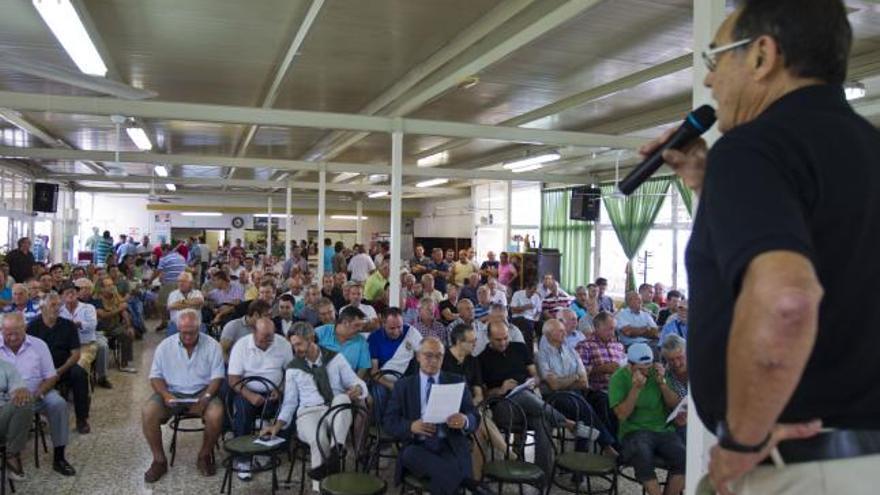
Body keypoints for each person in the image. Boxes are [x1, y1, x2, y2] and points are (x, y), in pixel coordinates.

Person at [640, 2, 880, 490]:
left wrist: (742, 441)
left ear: (761, 56)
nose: (709, 82)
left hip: (798, 464)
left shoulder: (754, 146)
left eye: (716, 60)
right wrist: (708, 186)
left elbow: (785, 299)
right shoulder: (869, 146)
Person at [261, 321, 368, 481]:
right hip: (308, 413)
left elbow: (358, 383)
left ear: (311, 338)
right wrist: (277, 425)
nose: (296, 349)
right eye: (293, 345)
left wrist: (358, 389)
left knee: (342, 398)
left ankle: (336, 449)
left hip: (334, 410)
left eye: (299, 344)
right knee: (319, 439)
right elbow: (290, 402)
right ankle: (323, 484)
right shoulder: (293, 367)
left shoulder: (335, 358)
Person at [478, 321, 579, 480]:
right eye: (498, 340)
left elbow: (536, 376)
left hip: (531, 403)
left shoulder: (519, 348)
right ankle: (565, 421)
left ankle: (542, 476)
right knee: (522, 396)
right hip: (503, 407)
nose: (503, 342)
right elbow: (484, 396)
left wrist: (533, 382)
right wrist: (501, 390)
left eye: (505, 338)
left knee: (542, 420)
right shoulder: (482, 359)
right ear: (488, 337)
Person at [383, 337, 482, 495]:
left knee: (443, 478)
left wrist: (464, 420)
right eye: (428, 355)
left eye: (438, 356)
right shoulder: (404, 386)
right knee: (411, 455)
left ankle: (462, 482)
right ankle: (469, 484)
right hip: (417, 446)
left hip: (449, 443)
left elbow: (474, 416)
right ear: (418, 356)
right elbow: (389, 422)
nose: (433, 360)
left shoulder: (456, 381)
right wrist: (411, 426)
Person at [143, 309, 224, 482]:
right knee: (148, 412)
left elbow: (217, 377)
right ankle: (159, 460)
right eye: (184, 332)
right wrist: (165, 395)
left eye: (192, 332)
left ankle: (204, 455)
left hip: (203, 391)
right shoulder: (165, 346)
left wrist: (207, 396)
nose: (187, 336)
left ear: (200, 328)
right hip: (172, 392)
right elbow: (155, 377)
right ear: (178, 328)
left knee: (216, 414)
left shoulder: (212, 345)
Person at [0, 312, 76, 476]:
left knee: (58, 404)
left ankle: (59, 457)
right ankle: (11, 453)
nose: (12, 338)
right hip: (5, 399)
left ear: (25, 329)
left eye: (16, 333)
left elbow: (51, 376)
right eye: (7, 334)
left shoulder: (39, 345)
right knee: (17, 406)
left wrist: (37, 394)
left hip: (37, 393)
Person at [608, 343, 684, 495]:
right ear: (630, 365)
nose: (646, 371)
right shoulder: (619, 378)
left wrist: (662, 383)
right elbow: (622, 415)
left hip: (663, 429)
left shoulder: (657, 372)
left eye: (648, 366)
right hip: (634, 431)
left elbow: (675, 404)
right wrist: (636, 389)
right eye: (641, 368)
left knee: (684, 458)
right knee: (642, 454)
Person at [536, 319, 617, 455]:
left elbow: (584, 382)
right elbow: (554, 385)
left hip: (576, 393)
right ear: (549, 335)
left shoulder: (571, 351)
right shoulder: (542, 355)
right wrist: (574, 377)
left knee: (592, 404)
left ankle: (583, 458)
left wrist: (565, 381)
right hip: (553, 398)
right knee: (582, 408)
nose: (565, 332)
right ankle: (606, 445)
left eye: (564, 329)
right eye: (560, 331)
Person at [227, 317, 293, 480]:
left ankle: (268, 450)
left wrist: (281, 389)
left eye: (271, 336)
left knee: (291, 407)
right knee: (243, 412)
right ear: (254, 332)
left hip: (274, 391)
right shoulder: (242, 345)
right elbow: (233, 379)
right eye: (264, 337)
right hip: (247, 390)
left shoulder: (282, 344)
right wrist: (250, 395)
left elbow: (291, 373)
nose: (268, 341)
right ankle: (243, 459)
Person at [31, 291, 91, 434]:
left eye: (59, 305)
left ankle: (82, 419)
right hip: (42, 370)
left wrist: (59, 371)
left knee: (80, 373)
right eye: (53, 305)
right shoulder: (33, 327)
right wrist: (48, 373)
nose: (57, 308)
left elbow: (76, 354)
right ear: (42, 307)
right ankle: (35, 419)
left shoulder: (68, 325)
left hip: (64, 368)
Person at [576, 312, 627, 434]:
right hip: (597, 390)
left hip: (620, 388)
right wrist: (603, 368)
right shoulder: (585, 345)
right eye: (609, 329)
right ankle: (614, 444)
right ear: (597, 328)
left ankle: (634, 436)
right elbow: (580, 375)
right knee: (606, 400)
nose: (612, 332)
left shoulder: (618, 346)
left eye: (614, 329)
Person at [72, 279, 112, 389]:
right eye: (82, 288)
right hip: (74, 335)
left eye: (88, 288)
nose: (85, 291)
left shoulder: (96, 302)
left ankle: (102, 377)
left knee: (103, 346)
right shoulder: (70, 302)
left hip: (96, 332)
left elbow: (99, 318)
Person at [315, 306, 371, 380]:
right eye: (357, 325)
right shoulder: (321, 332)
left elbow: (363, 368)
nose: (360, 329)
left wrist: (357, 384)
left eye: (361, 325)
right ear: (345, 323)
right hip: (321, 381)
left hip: (347, 383)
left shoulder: (361, 341)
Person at [0, 357, 32, 480]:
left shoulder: (6, 366)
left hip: (2, 415)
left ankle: (11, 453)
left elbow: (18, 386)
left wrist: (20, 390)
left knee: (24, 401)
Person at [96, 276, 137, 372]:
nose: (112, 287)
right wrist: (119, 309)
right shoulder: (97, 299)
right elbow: (103, 315)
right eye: (108, 285)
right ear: (102, 288)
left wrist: (129, 326)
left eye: (112, 285)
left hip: (114, 326)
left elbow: (124, 311)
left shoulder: (115, 296)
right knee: (123, 333)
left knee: (128, 333)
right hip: (101, 328)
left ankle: (124, 364)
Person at [151, 244, 187, 332]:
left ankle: (166, 322)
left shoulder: (164, 258)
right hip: (182, 284)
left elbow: (158, 271)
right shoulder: (181, 257)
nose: (161, 253)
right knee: (179, 304)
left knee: (159, 303)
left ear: (166, 250)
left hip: (169, 285)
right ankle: (174, 322)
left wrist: (149, 281)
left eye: (162, 251)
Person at [660, 335, 688, 444]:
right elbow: (671, 405)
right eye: (671, 360)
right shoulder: (665, 374)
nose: (676, 364)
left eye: (680, 357)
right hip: (679, 420)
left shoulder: (699, 368)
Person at [166, 272, 205, 336]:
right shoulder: (173, 294)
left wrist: (180, 304)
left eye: (184, 281)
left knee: (204, 342)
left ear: (191, 283)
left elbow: (199, 301)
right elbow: (172, 306)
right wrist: (191, 304)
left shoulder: (197, 293)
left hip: (196, 325)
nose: (181, 283)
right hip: (177, 326)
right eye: (179, 281)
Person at [509, 281, 541, 351]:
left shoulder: (536, 296)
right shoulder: (517, 294)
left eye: (534, 292)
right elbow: (513, 310)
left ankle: (534, 352)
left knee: (541, 325)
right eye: (531, 292)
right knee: (526, 325)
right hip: (518, 317)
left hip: (532, 319)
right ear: (526, 288)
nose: (533, 294)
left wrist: (535, 319)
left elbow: (539, 311)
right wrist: (525, 307)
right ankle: (527, 352)